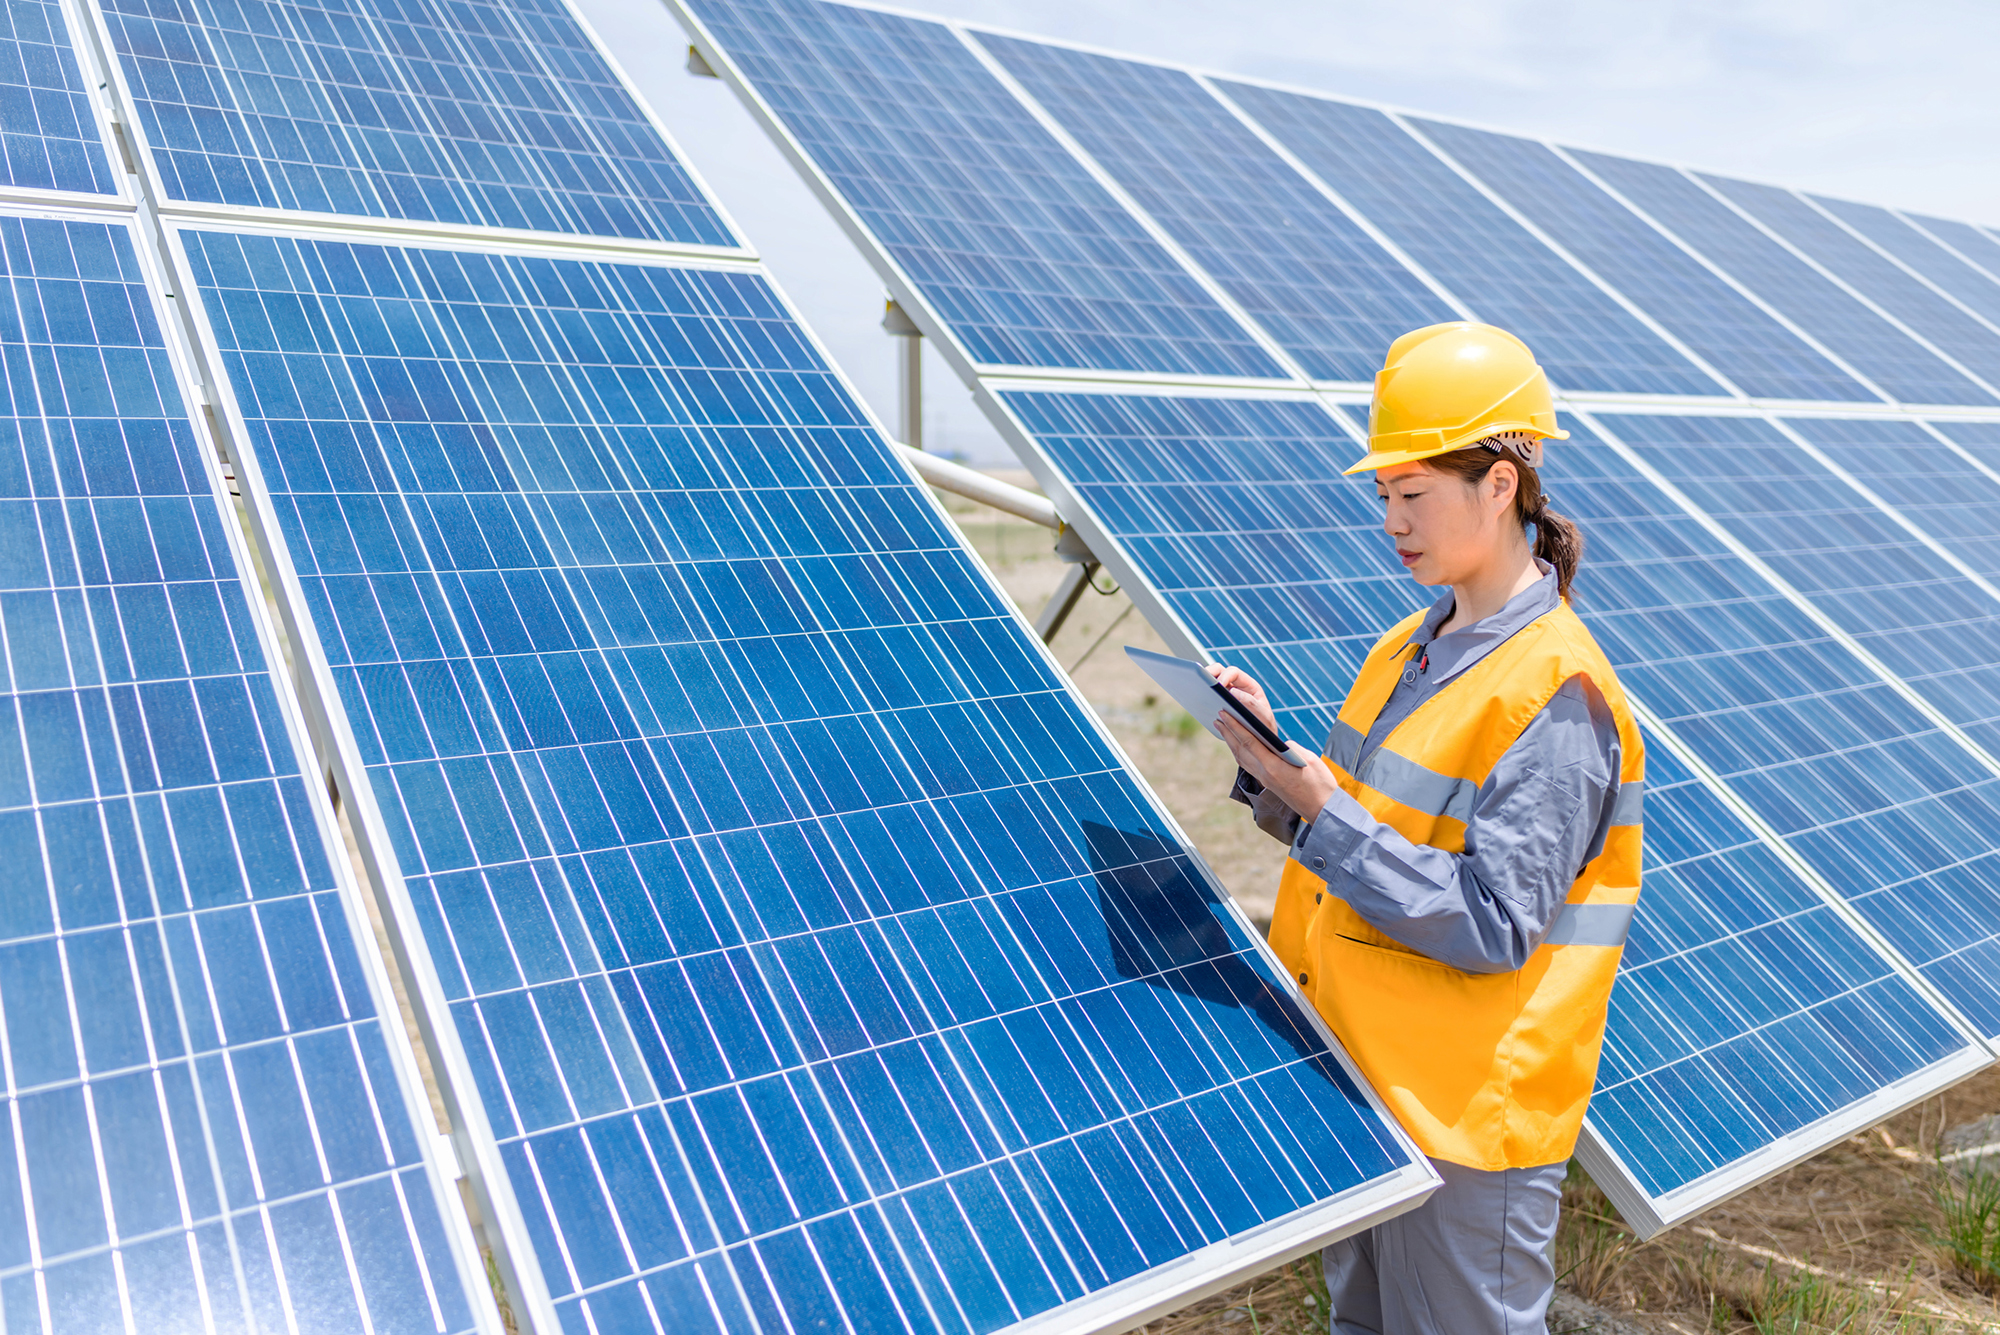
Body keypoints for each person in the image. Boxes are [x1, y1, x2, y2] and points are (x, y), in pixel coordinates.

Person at [1210, 323, 1644, 1335]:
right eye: (1382, 498)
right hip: (1364, 1077)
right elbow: (1360, 842)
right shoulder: (1405, 647)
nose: (1391, 521)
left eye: (1413, 495)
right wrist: (1272, 777)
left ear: (1499, 485)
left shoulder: (1553, 689)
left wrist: (1321, 812)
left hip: (1464, 1120)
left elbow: (1494, 928)